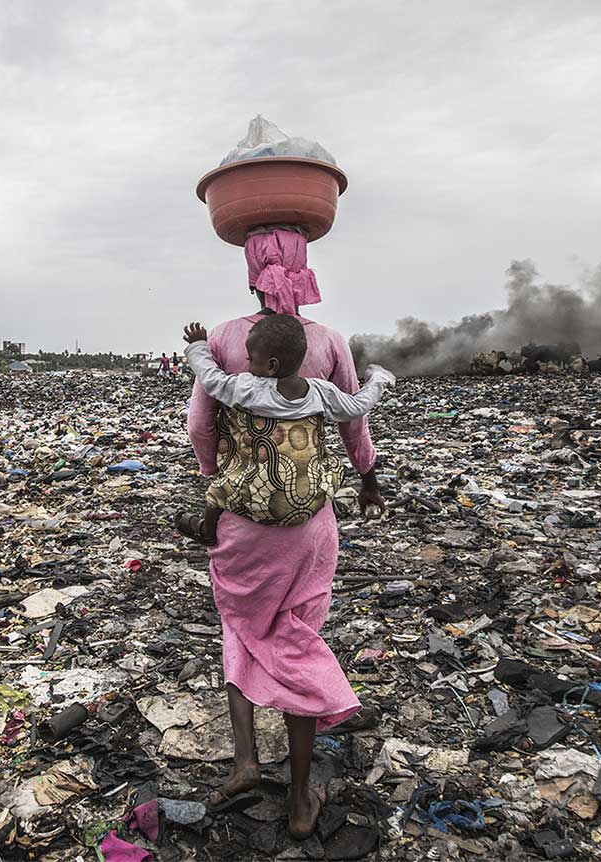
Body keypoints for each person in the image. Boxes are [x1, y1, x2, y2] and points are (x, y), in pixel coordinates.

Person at [186, 226, 384, 840]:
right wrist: (369, 476)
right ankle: (301, 798)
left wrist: (221, 485)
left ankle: (246, 763)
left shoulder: (225, 339)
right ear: (304, 269)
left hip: (244, 526)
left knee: (241, 626)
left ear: (251, 273)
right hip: (309, 527)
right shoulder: (327, 346)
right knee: (297, 634)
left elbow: (201, 425)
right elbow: (356, 418)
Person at [176, 314, 394, 543]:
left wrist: (198, 345)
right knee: (330, 470)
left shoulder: (248, 388)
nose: (248, 365)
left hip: (253, 495)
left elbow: (211, 380)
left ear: (271, 366)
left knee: (218, 494)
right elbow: (357, 406)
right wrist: (377, 380)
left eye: (251, 359)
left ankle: (207, 531)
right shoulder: (320, 391)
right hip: (308, 495)